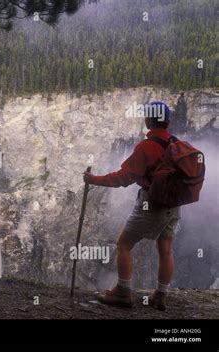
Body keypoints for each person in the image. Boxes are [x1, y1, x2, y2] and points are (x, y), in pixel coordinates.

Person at [83, 101, 180, 311]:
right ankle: (160, 296)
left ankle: (123, 292)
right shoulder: (176, 143)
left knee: (124, 244)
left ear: (148, 120)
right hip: (174, 203)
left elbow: (124, 177)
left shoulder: (147, 146)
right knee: (165, 249)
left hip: (152, 203)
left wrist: (94, 180)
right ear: (167, 121)